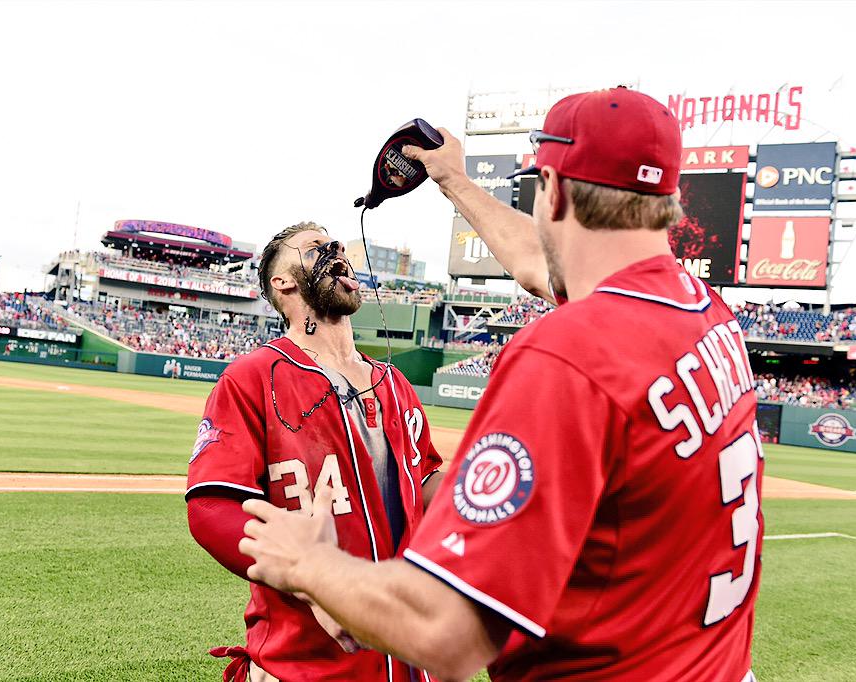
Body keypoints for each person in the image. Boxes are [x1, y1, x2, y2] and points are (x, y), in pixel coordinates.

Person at [239, 88, 763, 681]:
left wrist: (306, 564)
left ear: (554, 189)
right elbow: (544, 264)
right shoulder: (705, 311)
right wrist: (453, 181)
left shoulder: (567, 356)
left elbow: (447, 634)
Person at [186, 221, 446, 682]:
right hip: (304, 662)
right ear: (281, 282)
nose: (335, 250)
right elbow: (211, 506)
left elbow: (424, 485)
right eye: (314, 247)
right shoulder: (253, 376)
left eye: (336, 245)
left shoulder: (395, 383)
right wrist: (308, 574)